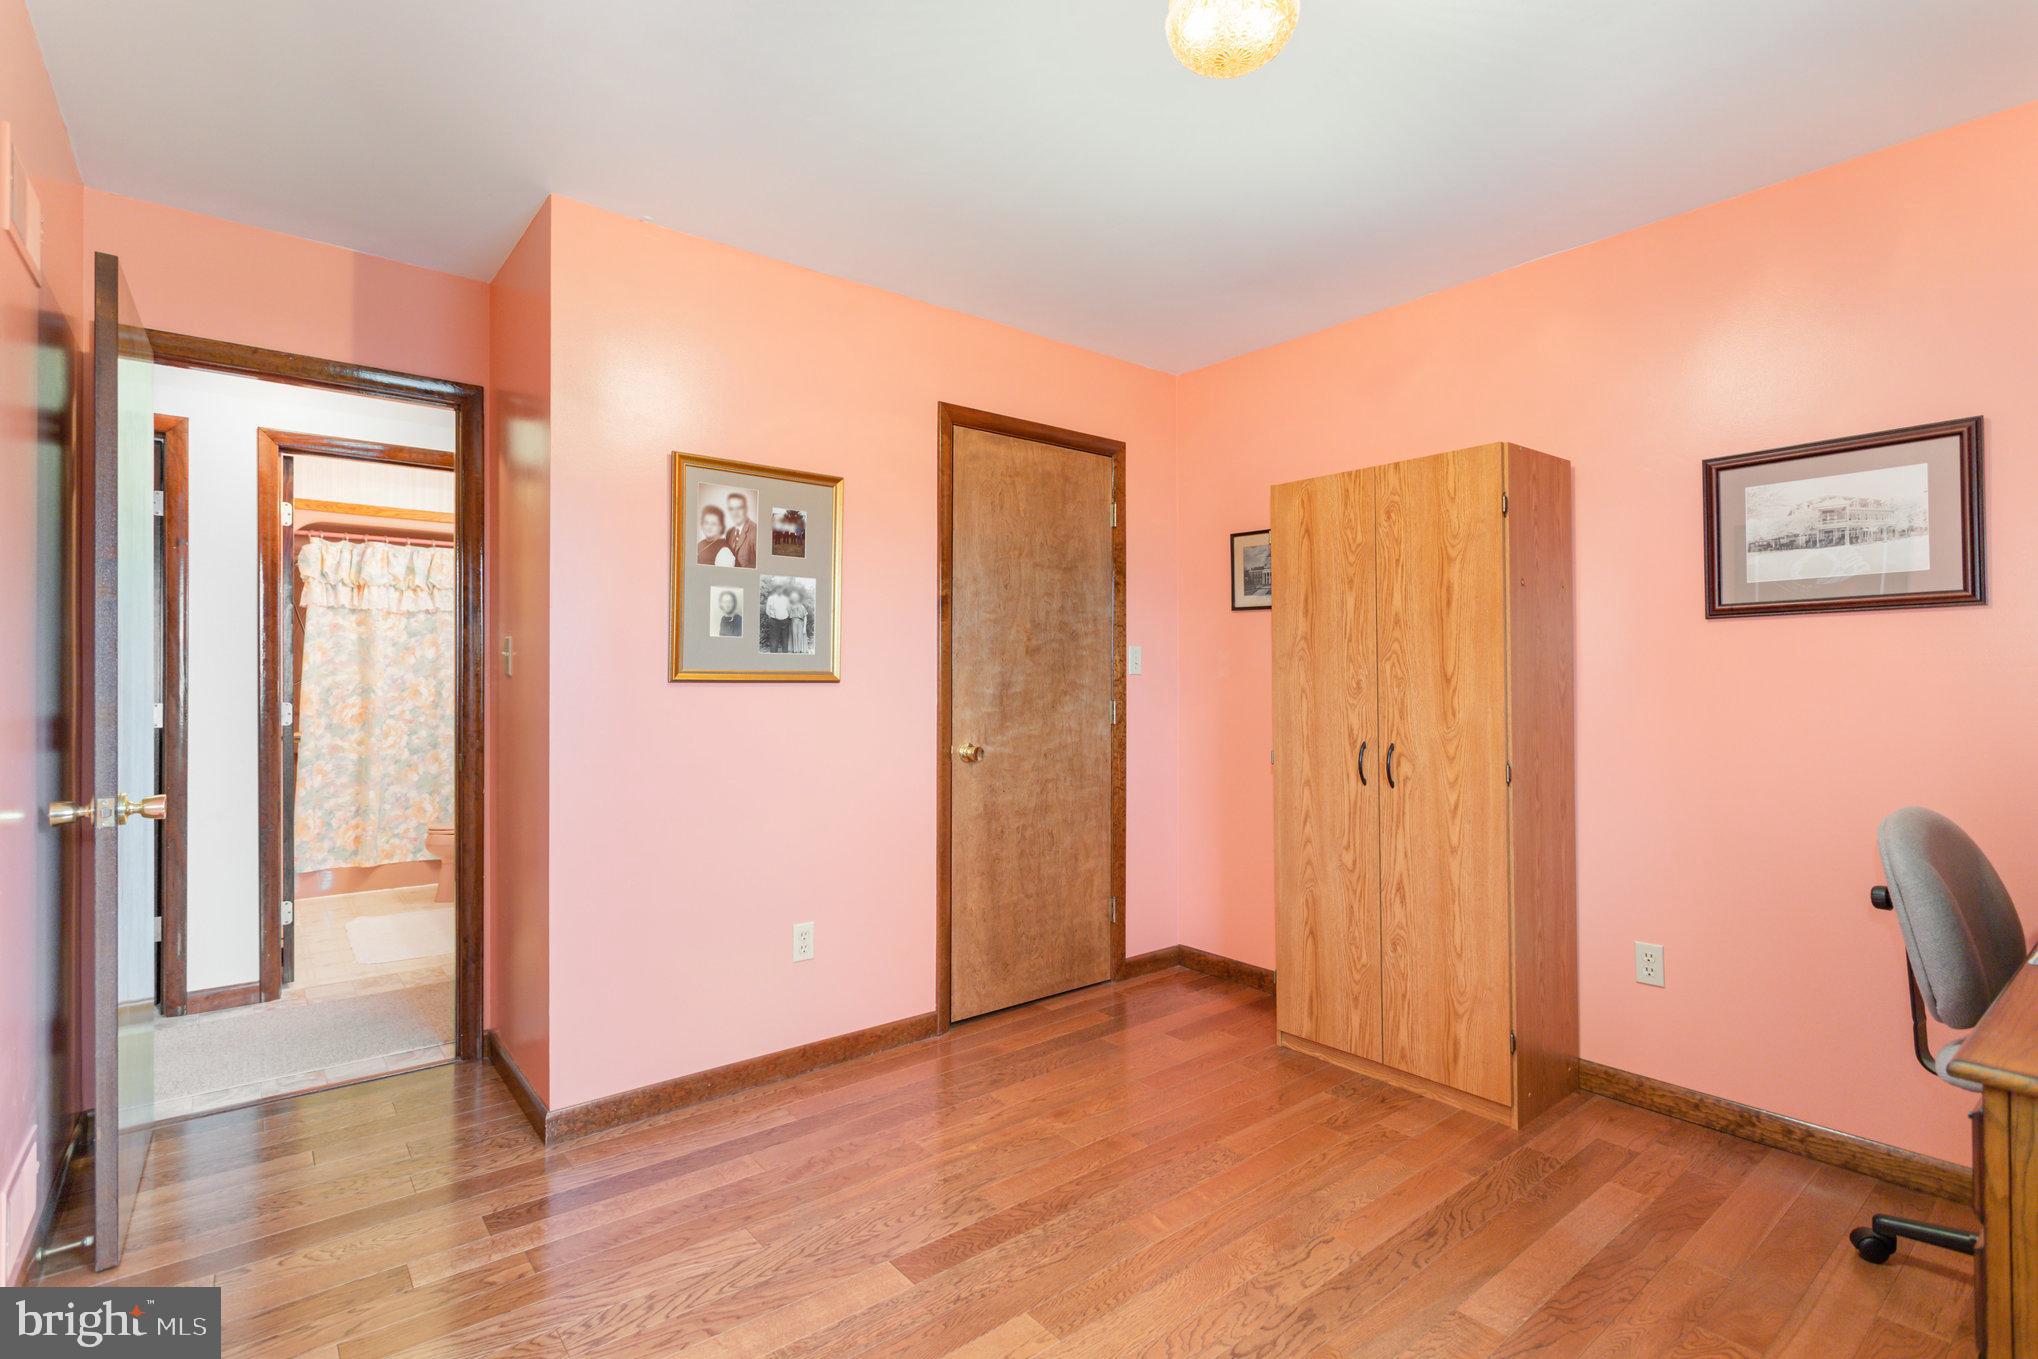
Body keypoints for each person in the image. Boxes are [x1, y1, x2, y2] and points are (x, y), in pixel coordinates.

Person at [724, 492, 757, 567]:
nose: (735, 513)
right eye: (731, 509)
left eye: (739, 508)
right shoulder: (729, 533)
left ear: (746, 509)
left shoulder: (756, 532)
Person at [761, 585, 792, 652]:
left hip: (785, 621)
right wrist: (772, 617)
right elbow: (767, 610)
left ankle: (785, 655)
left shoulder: (786, 598)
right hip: (774, 621)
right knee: (774, 639)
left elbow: (789, 609)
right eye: (778, 589)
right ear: (775, 590)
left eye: (781, 589)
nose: (779, 591)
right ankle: (773, 655)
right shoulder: (771, 598)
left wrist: (787, 617)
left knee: (785, 639)